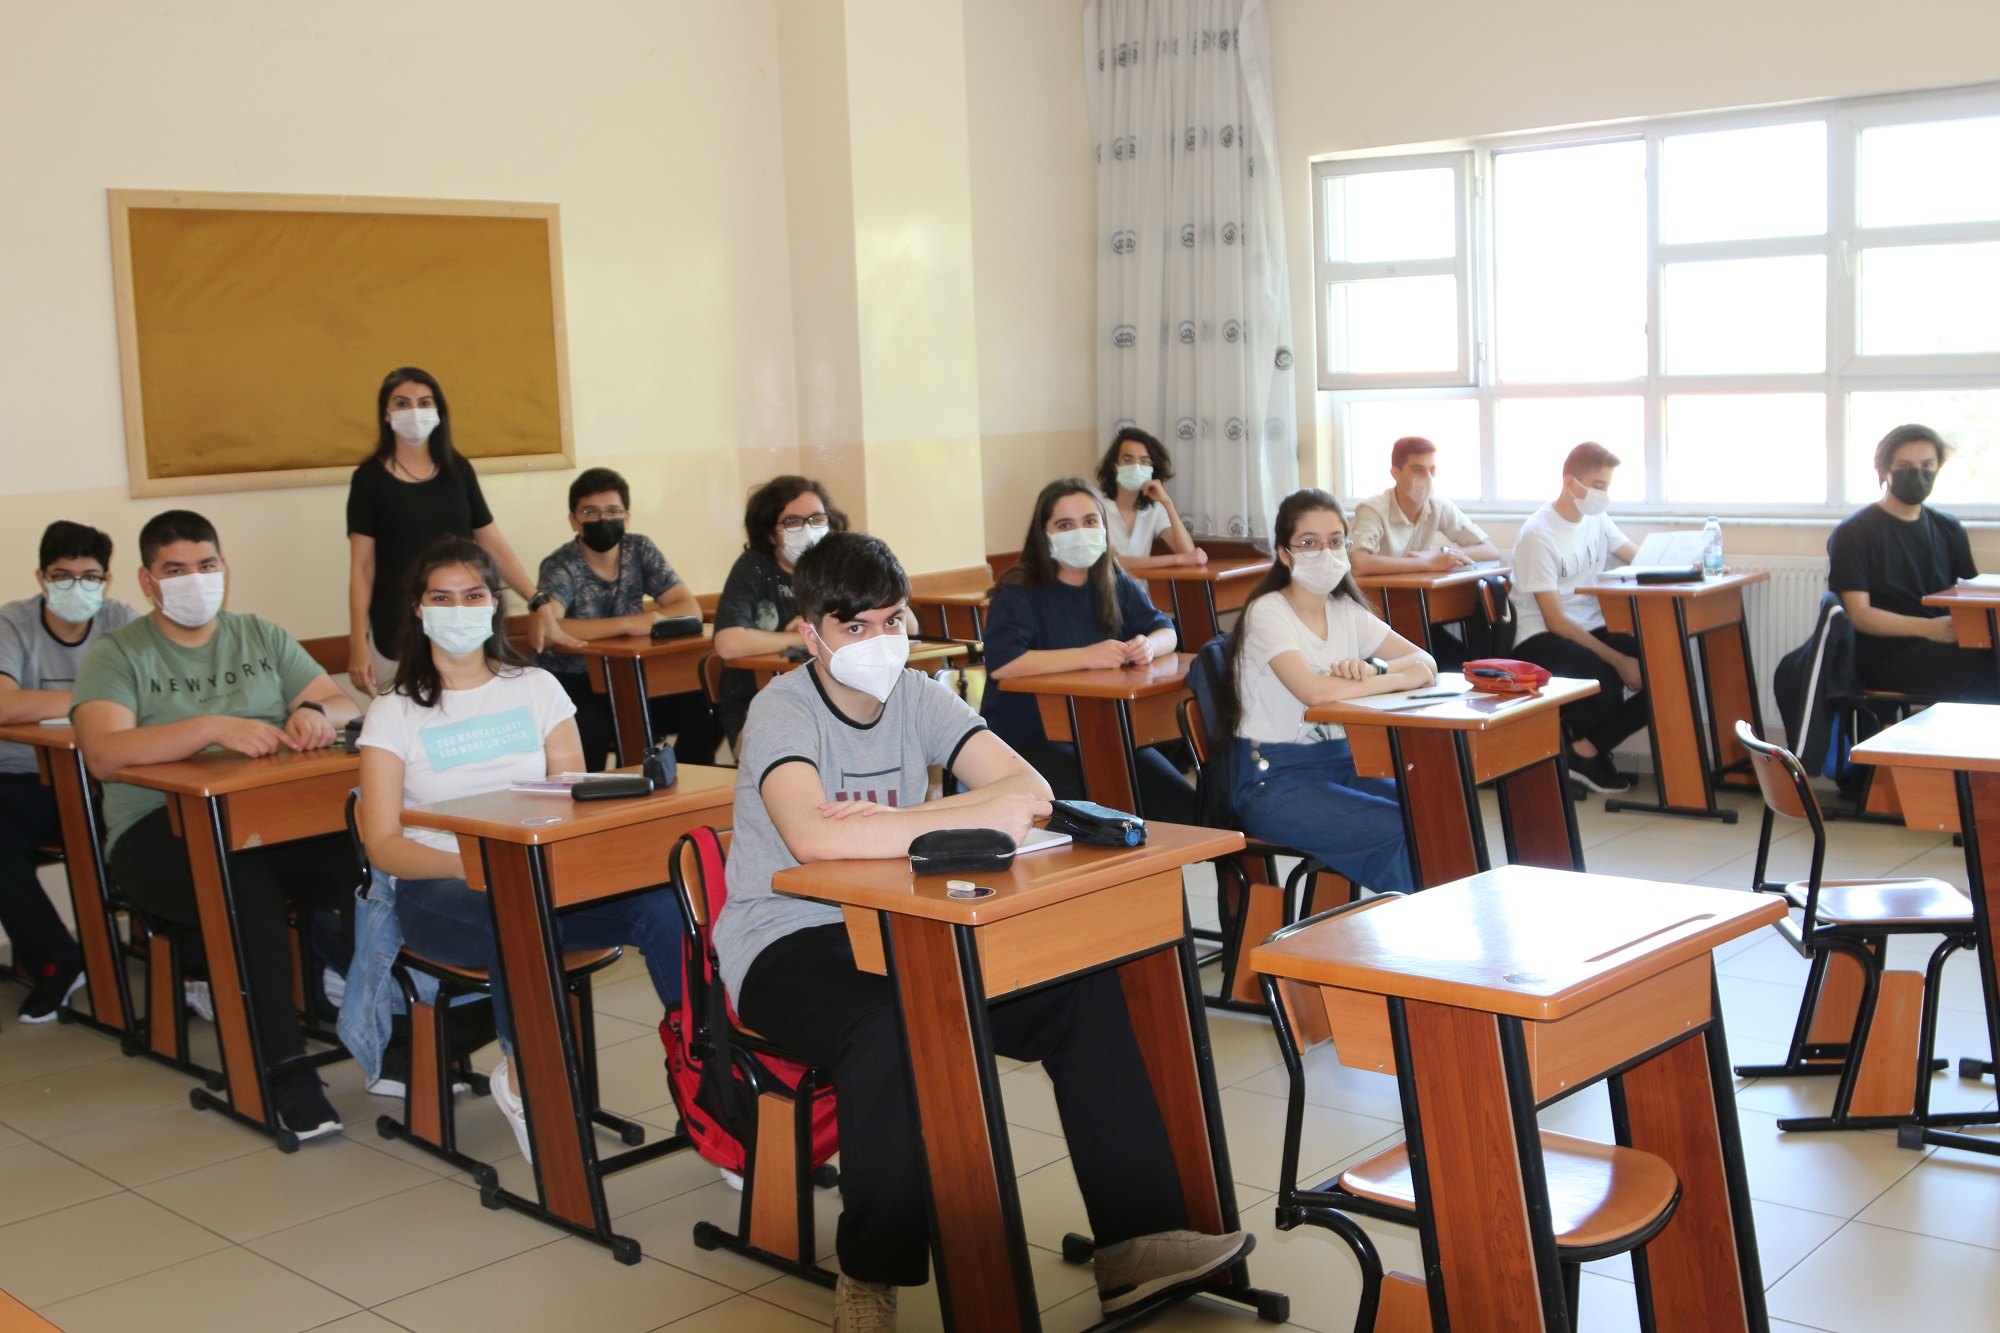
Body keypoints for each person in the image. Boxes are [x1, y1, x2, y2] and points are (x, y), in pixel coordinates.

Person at [714, 530, 1252, 1330]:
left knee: (1083, 992)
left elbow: (1027, 791)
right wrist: (956, 815)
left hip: (909, 922)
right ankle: (872, 1273)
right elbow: (813, 837)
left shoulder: (919, 695)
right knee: (890, 1023)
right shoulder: (781, 709)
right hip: (788, 937)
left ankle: (1134, 1243)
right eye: (855, 626)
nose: (879, 641)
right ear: (809, 632)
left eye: (892, 620)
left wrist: (905, 820)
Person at [354, 537, 687, 1162]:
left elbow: (574, 797)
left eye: (473, 595)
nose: (459, 610)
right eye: (441, 598)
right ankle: (526, 1074)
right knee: (517, 909)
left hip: (542, 878)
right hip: (439, 891)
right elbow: (384, 846)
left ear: (494, 604)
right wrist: (479, 866)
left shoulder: (535, 687)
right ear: (418, 610)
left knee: (666, 908)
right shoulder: (393, 711)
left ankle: (707, 1075)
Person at [72, 510, 362, 1139]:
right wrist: (208, 728)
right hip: (158, 831)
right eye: (175, 570)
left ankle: (396, 1038)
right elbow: (103, 753)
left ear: (224, 568)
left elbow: (341, 702)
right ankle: (283, 1072)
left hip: (267, 819)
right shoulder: (117, 654)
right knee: (242, 881)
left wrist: (315, 712)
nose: (194, 580)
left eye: (205, 566)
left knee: (365, 860)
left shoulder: (258, 634)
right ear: (148, 582)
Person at [1213, 489, 1430, 896]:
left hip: (1346, 765)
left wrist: (1374, 668)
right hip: (1273, 781)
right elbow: (1312, 691)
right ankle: (1419, 930)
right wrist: (1394, 678)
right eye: (1309, 543)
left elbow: (1425, 663)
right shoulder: (1268, 611)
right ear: (1285, 554)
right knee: (1397, 827)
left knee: (1433, 810)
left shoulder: (1344, 609)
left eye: (1335, 541)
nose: (1324, 553)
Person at [345, 366, 577, 694]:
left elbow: (492, 544)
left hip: (464, 625)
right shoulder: (369, 479)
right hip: (398, 630)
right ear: (386, 413)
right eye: (402, 403)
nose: (414, 411)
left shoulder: (458, 470)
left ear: (438, 411)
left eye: (425, 402)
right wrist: (357, 642)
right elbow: (362, 568)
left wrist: (536, 599)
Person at [982, 479, 1197, 822]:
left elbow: (1166, 631)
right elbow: (1003, 663)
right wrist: (1087, 656)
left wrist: (1149, 646)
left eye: (1090, 521)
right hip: (1026, 742)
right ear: (1044, 534)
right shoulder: (1018, 590)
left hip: (1104, 734)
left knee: (1187, 809)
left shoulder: (1114, 581)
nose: (1080, 532)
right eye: (1065, 525)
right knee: (1111, 810)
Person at [0, 522, 139, 1022]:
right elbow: (2, 704)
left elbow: (148, 695)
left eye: (89, 577)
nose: (76, 588)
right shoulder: (13, 623)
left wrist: (48, 703)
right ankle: (57, 959)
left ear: (106, 580)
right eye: (62, 576)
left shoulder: (121, 621)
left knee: (163, 828)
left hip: (107, 780)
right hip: (24, 780)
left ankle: (189, 968)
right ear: (41, 577)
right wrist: (95, 700)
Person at [534, 467, 717, 768]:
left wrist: (638, 622)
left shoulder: (639, 549)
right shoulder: (561, 564)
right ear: (574, 520)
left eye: (612, 511)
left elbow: (689, 608)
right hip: (577, 681)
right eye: (590, 512)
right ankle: (593, 794)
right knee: (594, 723)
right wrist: (630, 624)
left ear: (626, 517)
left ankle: (686, 785)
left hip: (633, 677)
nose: (602, 519)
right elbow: (548, 627)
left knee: (702, 707)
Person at [1506, 442, 1647, 795]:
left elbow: (1639, 558)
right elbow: (1554, 619)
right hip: (1542, 637)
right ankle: (1571, 742)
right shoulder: (1538, 534)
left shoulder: (1597, 518)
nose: (1604, 495)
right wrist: (1618, 660)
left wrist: (1691, 566)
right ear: (1570, 483)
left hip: (1589, 628)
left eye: (1607, 486)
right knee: (1607, 685)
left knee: (1664, 670)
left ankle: (1584, 748)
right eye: (1598, 485)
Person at [1829, 423, 1996, 702]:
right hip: (1884, 654)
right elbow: (1859, 614)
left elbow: (1971, 596)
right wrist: (1929, 629)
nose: (1918, 474)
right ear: (1884, 470)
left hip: (1945, 645)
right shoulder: (1854, 532)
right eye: (1905, 466)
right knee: (1988, 672)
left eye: (1927, 465)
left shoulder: (1949, 528)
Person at [711, 475, 849, 747]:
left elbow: (907, 625)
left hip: (834, 698)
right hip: (758, 704)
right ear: (769, 533)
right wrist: (804, 636)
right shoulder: (754, 568)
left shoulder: (837, 564)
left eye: (817, 519)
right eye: (793, 522)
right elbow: (728, 643)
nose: (808, 529)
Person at [1348, 436, 1502, 575]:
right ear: (1396, 474)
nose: (1428, 477)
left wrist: (1440, 555)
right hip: (1377, 593)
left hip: (1418, 590)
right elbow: (1360, 563)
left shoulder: (1438, 505)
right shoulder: (1372, 509)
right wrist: (1428, 563)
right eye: (1418, 470)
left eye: (1432, 470)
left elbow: (1490, 551)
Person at [1094, 427, 1207, 572]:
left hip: (1140, 587)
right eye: (1127, 460)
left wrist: (1167, 502)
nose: (1136, 466)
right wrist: (1178, 560)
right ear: (1115, 465)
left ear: (1152, 468)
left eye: (1144, 461)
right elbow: (1112, 562)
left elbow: (1188, 552)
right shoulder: (1096, 506)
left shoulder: (1154, 509)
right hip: (1105, 587)